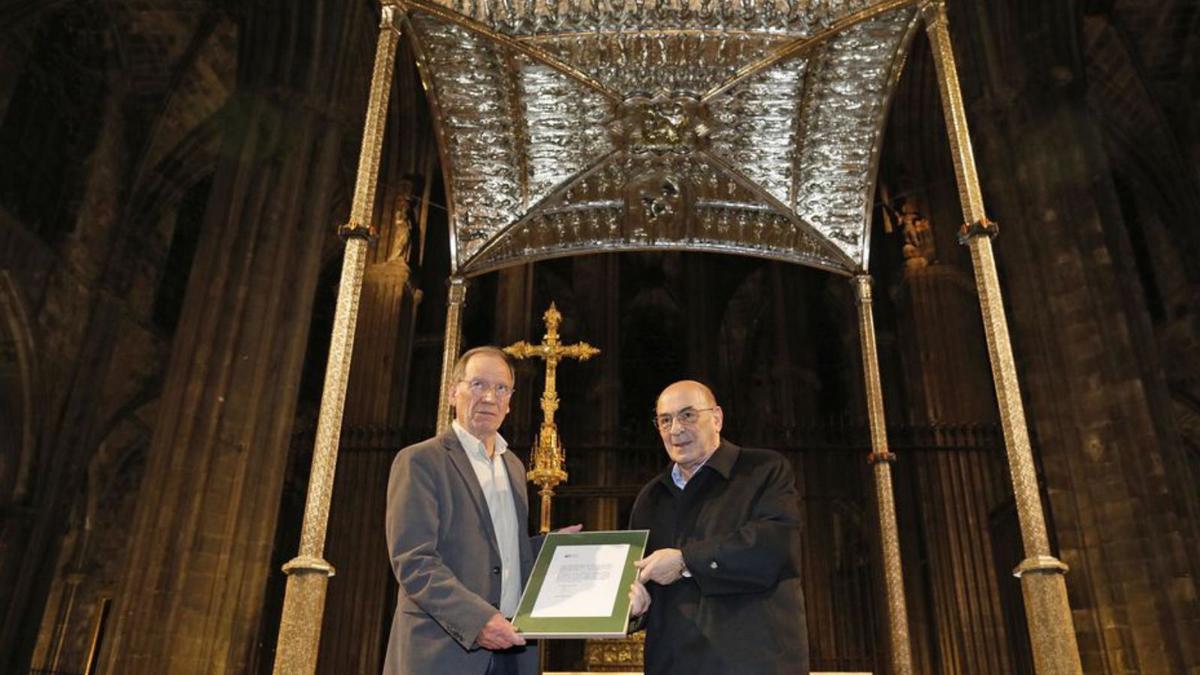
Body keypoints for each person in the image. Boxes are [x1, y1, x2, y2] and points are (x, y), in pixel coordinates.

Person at [385, 346, 555, 675]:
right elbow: (414, 561)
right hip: (443, 652)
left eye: (501, 388)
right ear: (453, 392)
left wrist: (553, 551)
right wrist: (477, 620)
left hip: (512, 651)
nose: (490, 397)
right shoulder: (421, 461)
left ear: (510, 401)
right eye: (478, 385)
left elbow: (501, 557)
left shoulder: (515, 467)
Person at [627, 380, 809, 675]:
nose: (675, 429)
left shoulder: (763, 470)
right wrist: (635, 611)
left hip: (753, 664)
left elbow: (774, 548)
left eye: (688, 415)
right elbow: (642, 584)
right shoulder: (650, 498)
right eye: (665, 420)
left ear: (717, 418)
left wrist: (685, 560)